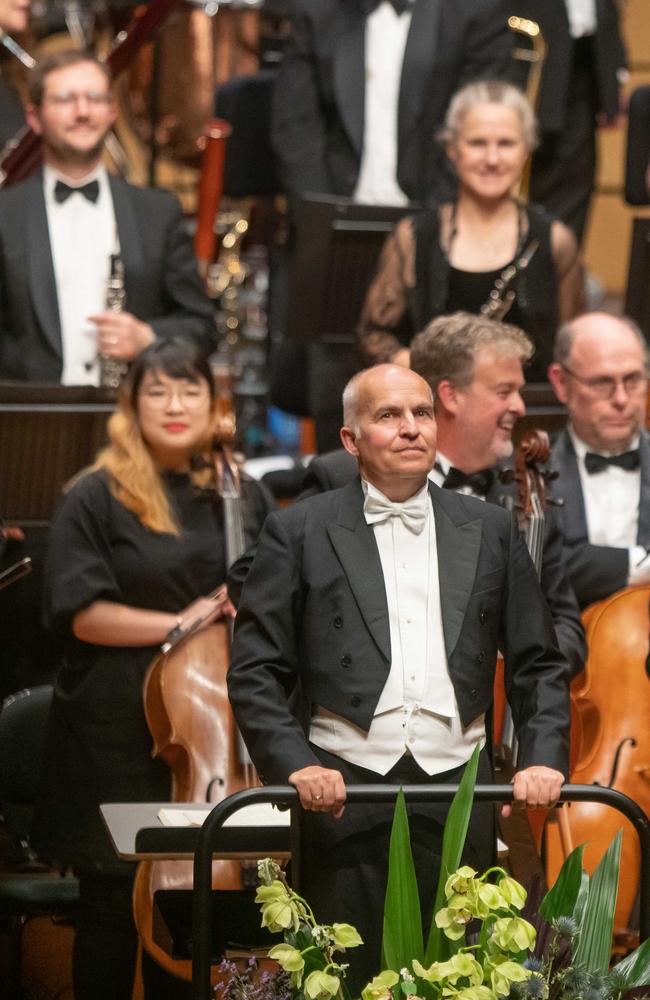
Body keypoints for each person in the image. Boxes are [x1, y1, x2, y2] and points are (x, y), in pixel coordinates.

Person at [228, 363, 570, 992]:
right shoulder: (297, 530)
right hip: (343, 792)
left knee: (460, 977)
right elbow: (255, 670)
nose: (411, 428)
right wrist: (294, 763)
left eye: (421, 413)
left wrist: (541, 756)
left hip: (462, 789)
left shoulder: (492, 528)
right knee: (349, 977)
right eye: (388, 415)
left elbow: (539, 663)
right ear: (351, 439)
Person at [32, 338, 275, 1000]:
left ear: (213, 403)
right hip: (115, 730)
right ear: (131, 406)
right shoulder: (95, 496)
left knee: (194, 914)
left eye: (190, 390)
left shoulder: (244, 496)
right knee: (111, 909)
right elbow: (80, 613)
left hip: (214, 736)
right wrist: (185, 623)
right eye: (157, 392)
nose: (175, 405)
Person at [301, 312, 585, 679]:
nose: (520, 407)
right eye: (504, 391)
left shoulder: (525, 497)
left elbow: (568, 628)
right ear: (450, 396)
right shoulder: (337, 478)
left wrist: (509, 658)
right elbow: (284, 607)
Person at [0, 49, 215, 384]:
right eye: (65, 99)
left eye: (95, 98)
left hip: (129, 419)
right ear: (34, 117)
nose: (83, 111)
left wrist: (147, 337)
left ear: (112, 112)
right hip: (27, 424)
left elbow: (202, 326)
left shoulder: (157, 213)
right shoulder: (5, 215)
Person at [359, 81, 584, 381]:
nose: (492, 159)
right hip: (436, 415)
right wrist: (426, 368)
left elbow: (574, 351)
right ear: (452, 149)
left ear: (527, 149)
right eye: (477, 143)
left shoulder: (556, 241)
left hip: (527, 417)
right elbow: (372, 334)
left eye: (506, 143)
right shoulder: (413, 236)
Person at [271, 0, 513, 213]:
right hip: (334, 216)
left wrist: (431, 229)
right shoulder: (316, 8)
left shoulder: (476, 9)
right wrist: (321, 217)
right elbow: (295, 126)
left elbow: (475, 129)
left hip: (438, 219)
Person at [547, 312, 650, 609]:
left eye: (632, 379)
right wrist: (639, 564)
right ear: (561, 383)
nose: (621, 399)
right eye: (602, 383)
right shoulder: (528, 471)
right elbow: (539, 570)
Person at [512, 0, 627, 244]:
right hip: (524, 63)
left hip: (584, 66)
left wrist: (614, 70)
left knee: (575, 185)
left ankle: (561, 274)